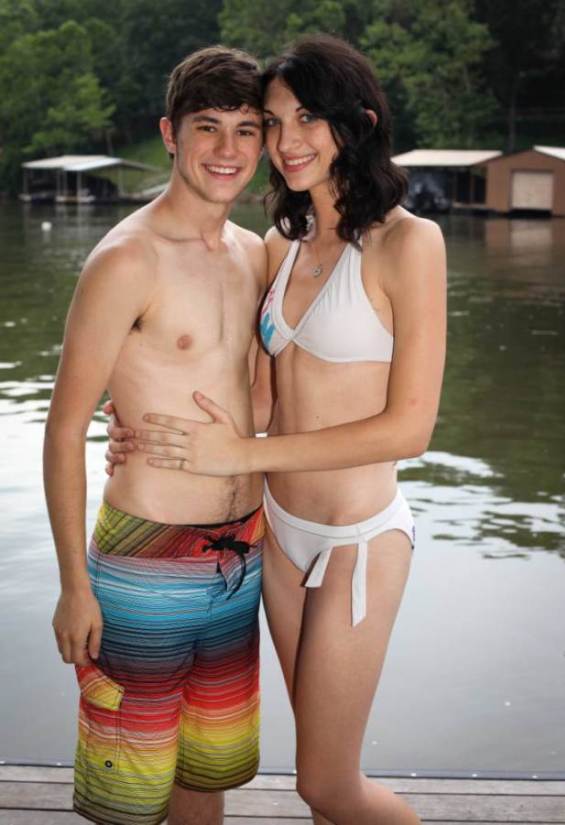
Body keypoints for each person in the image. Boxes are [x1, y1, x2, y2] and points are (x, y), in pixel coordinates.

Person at [107, 35, 446, 825]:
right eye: (276, 120)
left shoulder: (408, 245)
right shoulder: (278, 245)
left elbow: (411, 426)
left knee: (327, 783)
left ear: (356, 124)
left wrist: (247, 452)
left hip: (357, 539)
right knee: (321, 764)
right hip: (280, 534)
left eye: (309, 119)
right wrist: (132, 417)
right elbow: (253, 390)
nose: (287, 141)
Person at [43, 46, 268, 825]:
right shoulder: (125, 259)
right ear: (170, 133)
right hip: (146, 559)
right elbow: (64, 426)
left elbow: (258, 394)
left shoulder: (256, 254)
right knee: (127, 796)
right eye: (210, 128)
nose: (229, 151)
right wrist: (74, 583)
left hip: (241, 553)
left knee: (207, 775)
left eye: (247, 130)